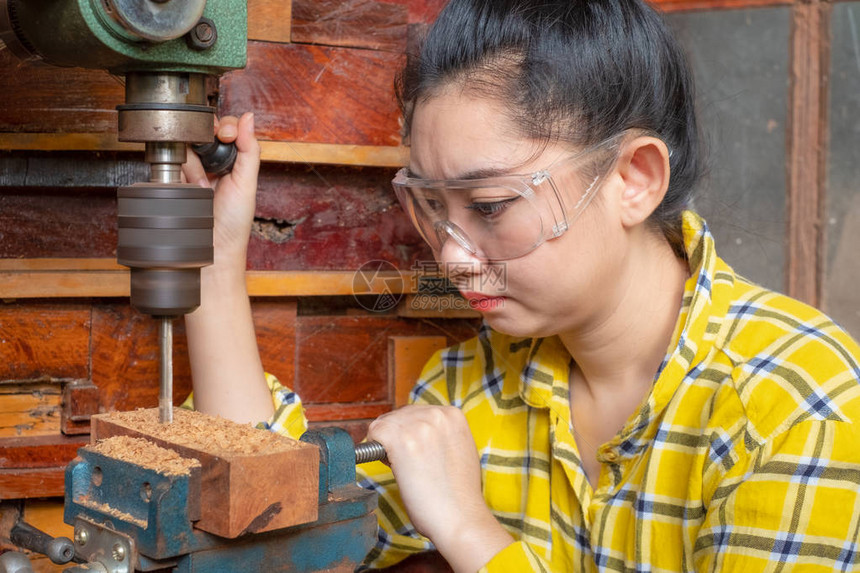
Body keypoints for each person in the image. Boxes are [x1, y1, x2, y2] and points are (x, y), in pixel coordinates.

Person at [183, 0, 860, 571]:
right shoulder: (471, 388)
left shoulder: (793, 402)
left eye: (491, 206)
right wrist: (213, 256)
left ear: (634, 179)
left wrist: (472, 533)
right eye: (431, 208)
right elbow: (278, 535)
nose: (451, 256)